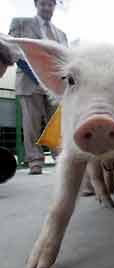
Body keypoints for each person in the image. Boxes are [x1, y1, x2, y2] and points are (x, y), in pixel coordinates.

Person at [0, 0, 68, 175]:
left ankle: (61, 158)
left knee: (57, 123)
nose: (47, 7)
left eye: (50, 4)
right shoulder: (20, 23)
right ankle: (34, 162)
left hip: (53, 84)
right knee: (31, 123)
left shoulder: (61, 34)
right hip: (29, 82)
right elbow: (10, 49)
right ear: (36, 5)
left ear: (54, 7)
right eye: (43, 4)